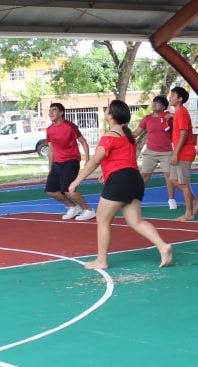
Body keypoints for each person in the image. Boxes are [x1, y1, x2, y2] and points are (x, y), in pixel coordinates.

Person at [69, 99, 173, 270]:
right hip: (134, 180)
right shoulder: (128, 136)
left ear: (111, 116)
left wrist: (76, 181)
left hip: (120, 181)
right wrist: (107, 173)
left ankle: (101, 261)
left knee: (102, 219)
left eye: (107, 110)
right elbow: (122, 160)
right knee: (136, 221)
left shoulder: (109, 137)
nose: (105, 112)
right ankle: (163, 246)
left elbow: (94, 161)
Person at [44, 102, 94, 221]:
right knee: (51, 191)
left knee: (68, 190)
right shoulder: (49, 129)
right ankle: (73, 207)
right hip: (57, 163)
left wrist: (87, 159)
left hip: (71, 161)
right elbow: (51, 149)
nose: (51, 112)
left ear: (61, 113)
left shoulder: (69, 126)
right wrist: (50, 166)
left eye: (54, 110)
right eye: (50, 110)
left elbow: (83, 142)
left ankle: (88, 210)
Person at [135, 95, 180, 210]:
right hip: (150, 152)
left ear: (164, 106)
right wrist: (122, 135)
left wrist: (172, 116)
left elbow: (181, 119)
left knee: (169, 177)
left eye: (157, 103)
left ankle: (171, 200)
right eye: (153, 102)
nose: (154, 104)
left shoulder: (168, 117)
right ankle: (135, 199)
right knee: (144, 175)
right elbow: (136, 133)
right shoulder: (147, 118)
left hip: (166, 153)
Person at [167, 86, 198, 222]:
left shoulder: (182, 112)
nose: (170, 97)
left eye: (173, 95)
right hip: (179, 152)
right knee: (173, 180)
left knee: (183, 184)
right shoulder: (178, 113)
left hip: (184, 152)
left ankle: (189, 213)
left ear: (180, 99)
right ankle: (196, 202)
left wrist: (176, 153)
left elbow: (184, 134)